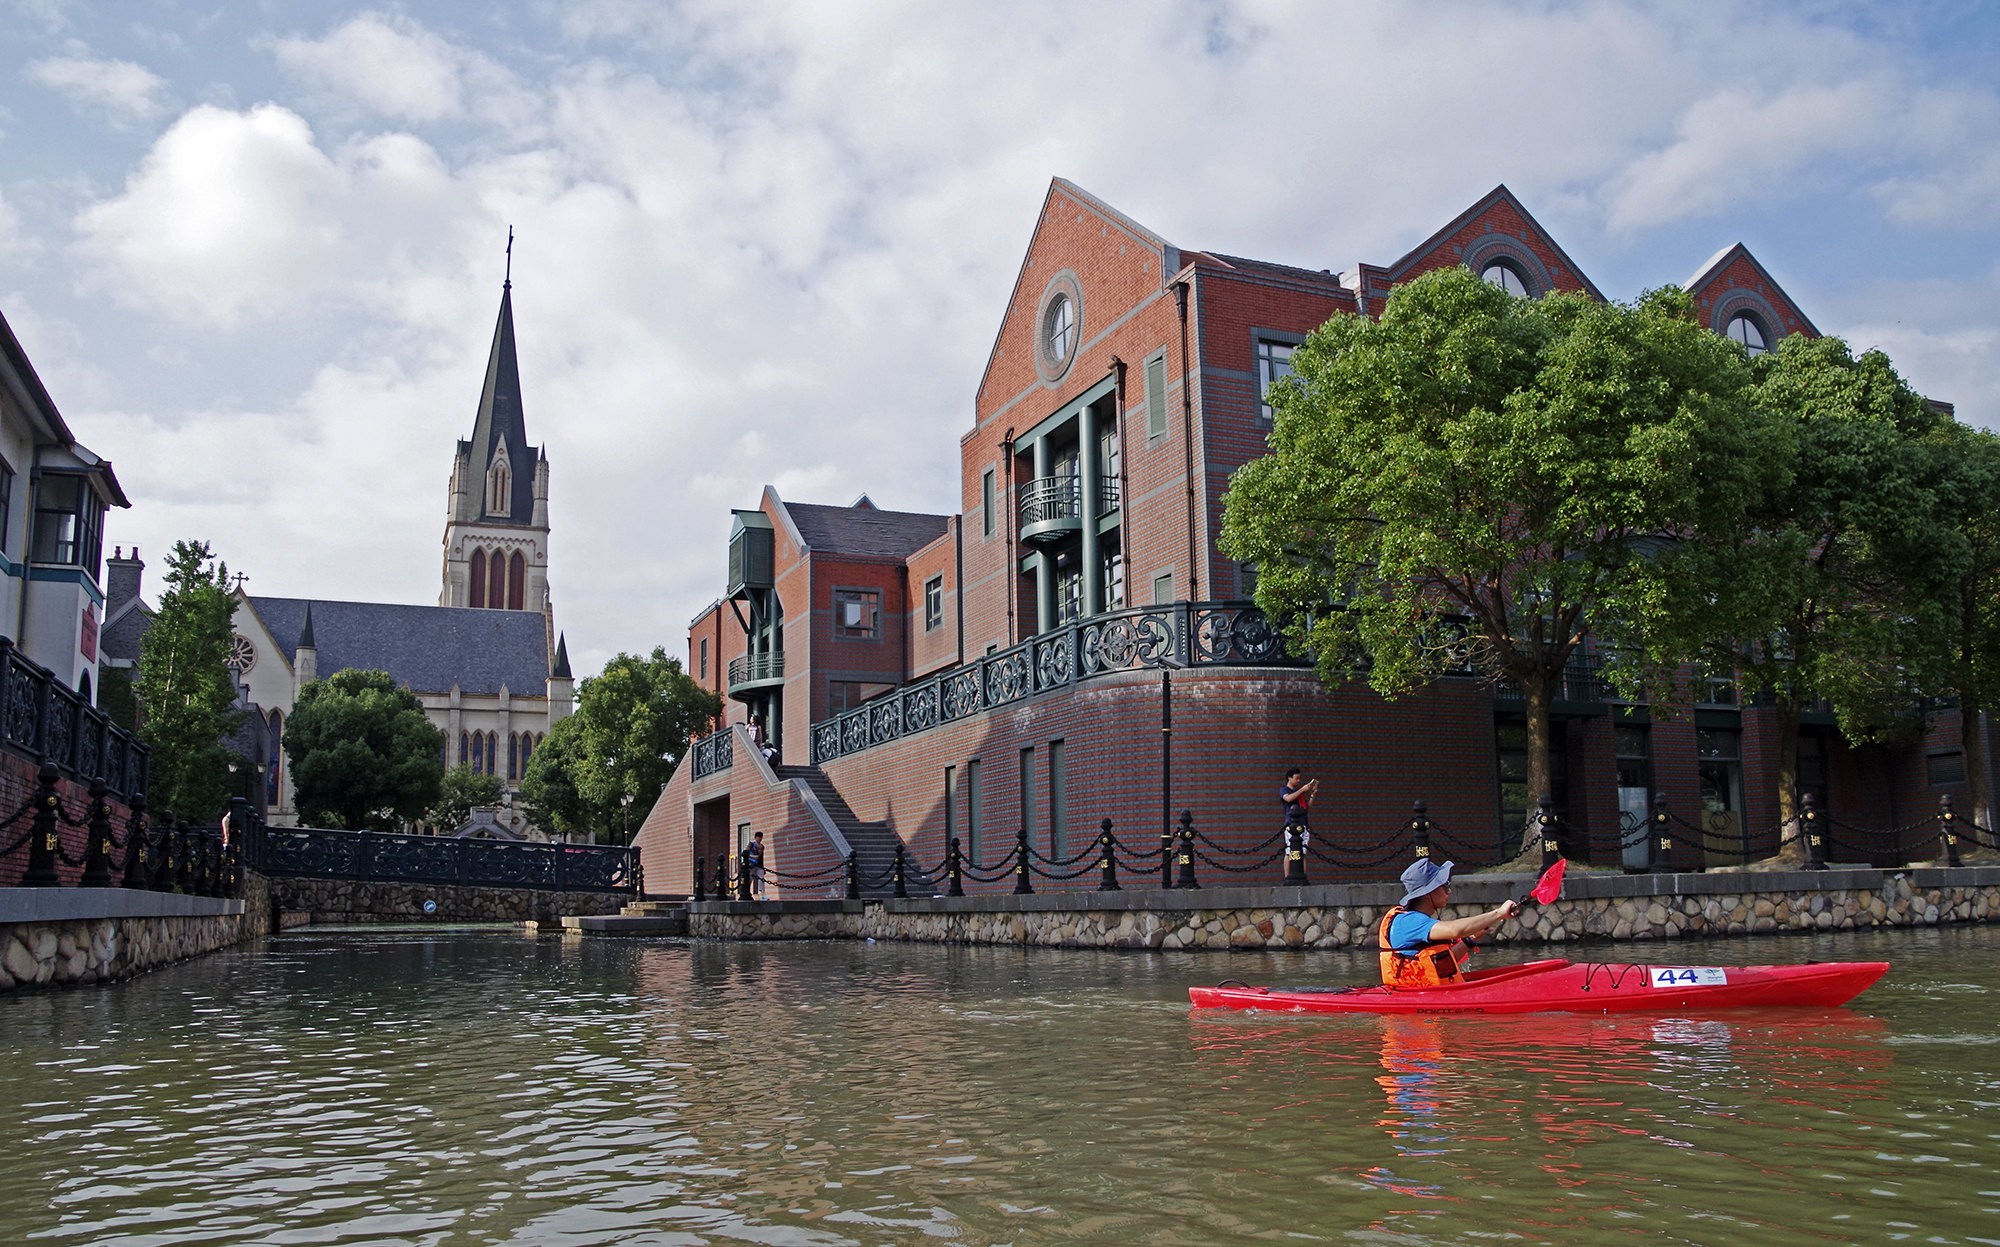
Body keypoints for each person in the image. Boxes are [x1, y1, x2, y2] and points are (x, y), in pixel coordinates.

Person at [1377, 858, 1518, 987]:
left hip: (1430, 992)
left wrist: (1471, 940)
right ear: (1428, 892)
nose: (1449, 891)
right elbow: (1455, 930)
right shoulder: (1408, 922)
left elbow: (1442, 962)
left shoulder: (1418, 920)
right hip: (1416, 996)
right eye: (1445, 886)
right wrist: (1498, 913)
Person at [1280, 768, 1318, 846]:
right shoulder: (1284, 789)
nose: (1298, 781)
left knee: (1302, 852)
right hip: (1291, 824)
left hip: (1303, 823)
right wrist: (1302, 789)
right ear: (1289, 778)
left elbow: (1306, 808)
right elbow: (1288, 798)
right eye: (1296, 778)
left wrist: (1312, 795)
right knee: (1290, 851)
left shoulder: (1299, 792)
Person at [743, 830, 767, 898]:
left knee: (761, 879)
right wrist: (753, 857)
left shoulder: (762, 846)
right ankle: (747, 892)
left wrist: (763, 867)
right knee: (750, 878)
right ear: (756, 837)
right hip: (752, 864)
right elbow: (745, 853)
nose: (760, 839)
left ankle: (762, 894)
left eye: (761, 837)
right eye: (759, 837)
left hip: (759, 865)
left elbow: (761, 857)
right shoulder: (751, 844)